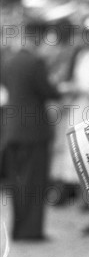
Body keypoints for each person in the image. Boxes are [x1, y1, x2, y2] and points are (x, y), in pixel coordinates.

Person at [1, 22, 62, 241]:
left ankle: (18, 229)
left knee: (17, 184)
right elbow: (50, 91)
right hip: (34, 131)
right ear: (37, 36)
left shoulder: (9, 61)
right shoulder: (35, 62)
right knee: (34, 182)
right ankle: (31, 231)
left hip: (11, 130)